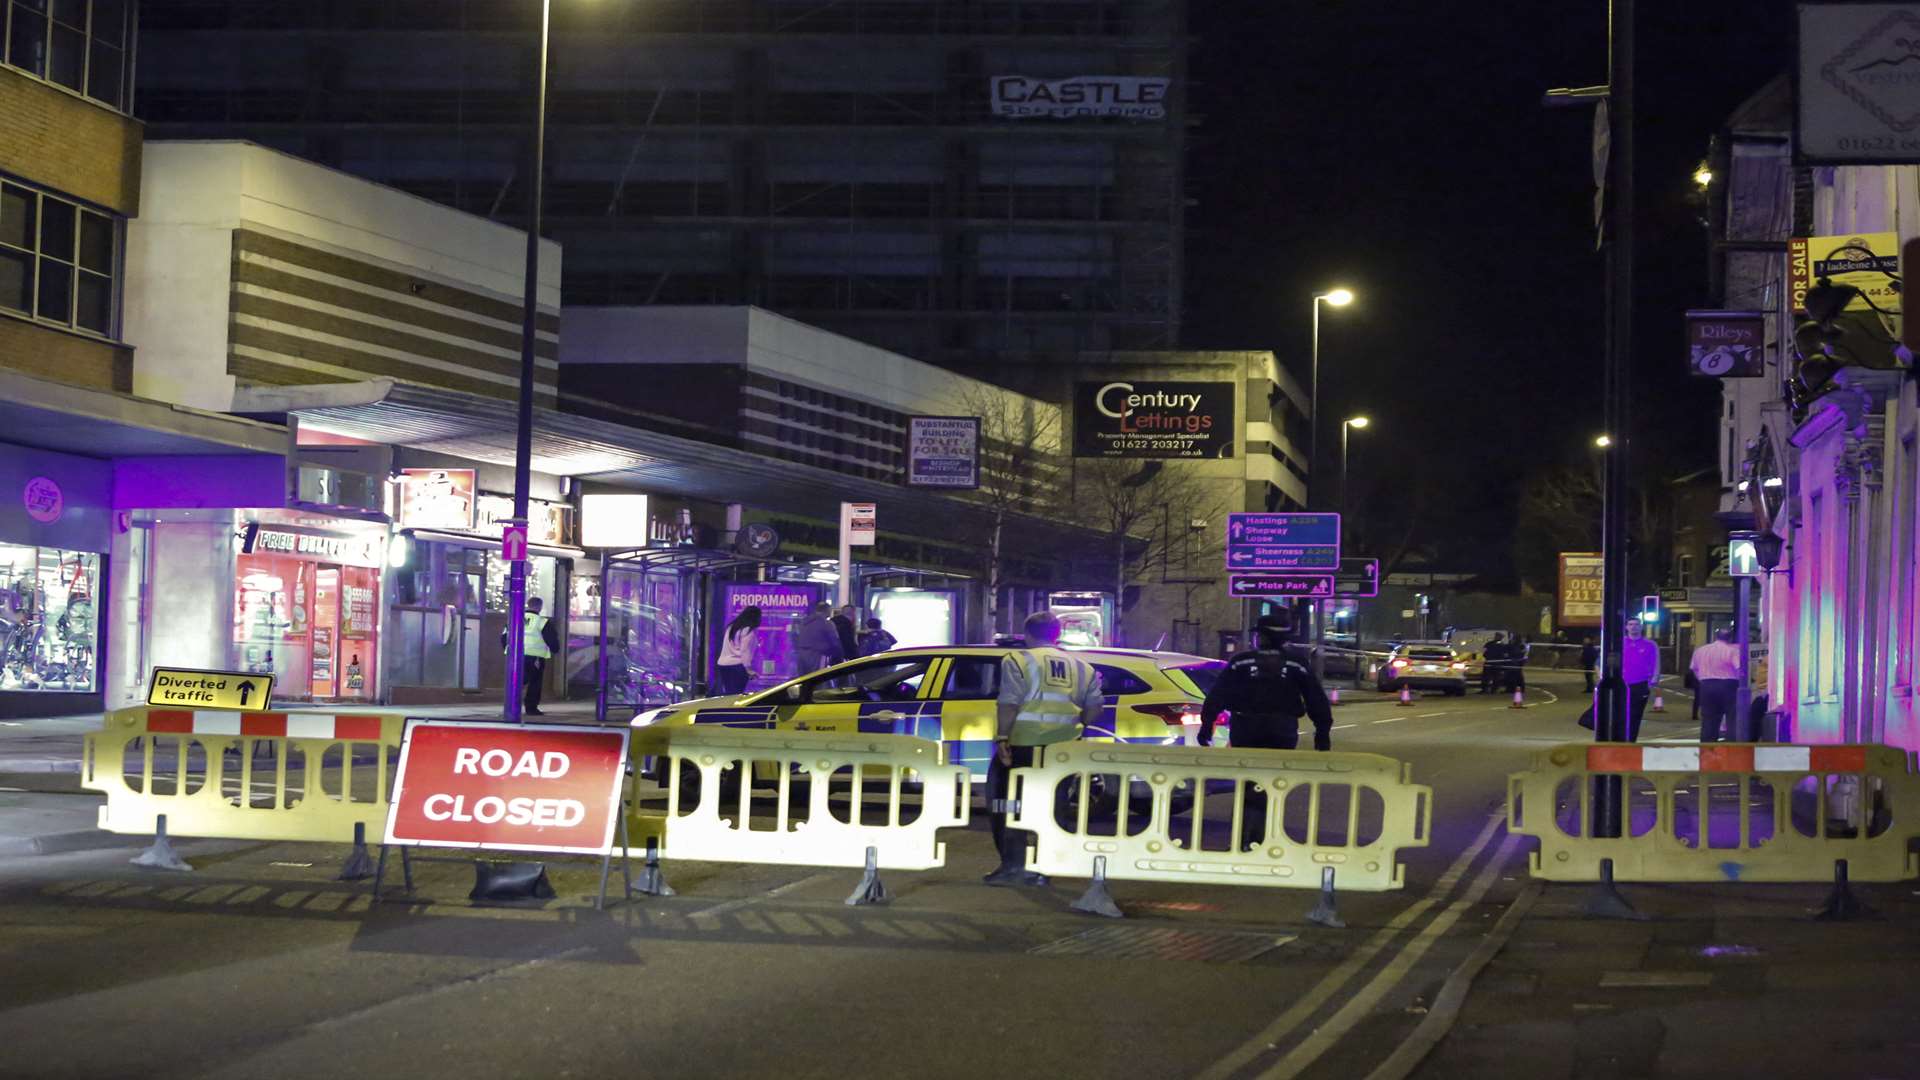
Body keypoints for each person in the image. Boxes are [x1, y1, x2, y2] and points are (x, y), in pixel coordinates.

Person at [986, 610, 1105, 887]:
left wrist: (1003, 737)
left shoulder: (1018, 660)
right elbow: (1093, 709)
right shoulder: (1081, 666)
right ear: (1057, 635)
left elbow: (1009, 702)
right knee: (1055, 806)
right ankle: (1048, 867)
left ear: (1027, 635)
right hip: (1063, 749)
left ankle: (1013, 867)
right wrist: (1076, 724)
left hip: (1023, 744)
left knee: (1007, 803)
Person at [1199, 612, 1334, 848]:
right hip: (1282, 729)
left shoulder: (1240, 662)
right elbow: (1316, 699)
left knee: (1246, 779)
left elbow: (1218, 695)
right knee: (1273, 780)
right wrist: (1322, 732)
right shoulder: (1297, 664)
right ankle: (1265, 833)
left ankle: (1244, 833)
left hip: (1245, 727)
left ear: (1261, 637)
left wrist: (1206, 725)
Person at [499, 596, 560, 716]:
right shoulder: (542, 621)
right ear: (540, 607)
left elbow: (504, 637)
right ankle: (531, 708)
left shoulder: (514, 619)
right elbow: (552, 639)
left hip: (515, 656)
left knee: (516, 680)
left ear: (528, 605)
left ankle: (511, 705)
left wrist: (507, 649)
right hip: (535, 657)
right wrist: (555, 650)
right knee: (534, 682)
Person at [1689, 627, 1743, 742]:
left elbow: (1694, 669)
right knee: (1731, 717)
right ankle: (1731, 746)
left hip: (1706, 685)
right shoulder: (1733, 651)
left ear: (1715, 636)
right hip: (1728, 685)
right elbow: (1739, 669)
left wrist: (1702, 680)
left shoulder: (1701, 650)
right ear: (1731, 638)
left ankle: (1707, 746)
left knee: (1709, 718)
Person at [1621, 618, 1660, 741]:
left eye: (1637, 624)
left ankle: (1631, 740)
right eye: (1631, 624)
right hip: (1621, 684)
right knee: (1621, 713)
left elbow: (1656, 663)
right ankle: (1619, 738)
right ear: (1626, 627)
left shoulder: (1650, 645)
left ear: (1641, 627)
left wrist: (1653, 681)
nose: (1634, 627)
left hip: (1640, 684)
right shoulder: (1620, 642)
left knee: (1635, 714)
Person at [714, 606, 761, 695]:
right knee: (737, 695)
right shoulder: (748, 631)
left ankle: (728, 708)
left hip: (723, 664)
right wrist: (748, 669)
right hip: (737, 665)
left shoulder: (731, 627)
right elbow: (744, 651)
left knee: (730, 694)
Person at [792, 602, 844, 673]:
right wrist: (839, 655)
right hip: (817, 655)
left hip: (802, 654)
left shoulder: (804, 622)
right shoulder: (826, 623)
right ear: (827, 611)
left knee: (804, 678)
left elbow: (796, 637)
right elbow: (834, 641)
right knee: (817, 678)